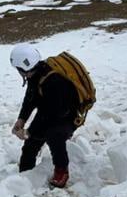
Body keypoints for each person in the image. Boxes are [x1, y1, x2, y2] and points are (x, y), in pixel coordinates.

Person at [9, 44, 87, 189]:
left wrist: (29, 131)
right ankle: (24, 177)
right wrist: (22, 119)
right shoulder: (35, 73)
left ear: (23, 69)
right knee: (31, 143)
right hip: (50, 111)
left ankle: (61, 171)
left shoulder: (54, 81)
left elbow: (51, 113)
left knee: (54, 135)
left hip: (68, 116)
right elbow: (31, 98)